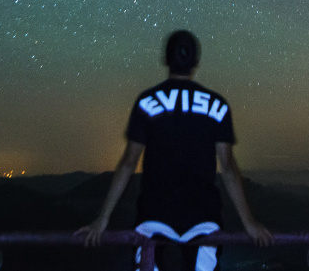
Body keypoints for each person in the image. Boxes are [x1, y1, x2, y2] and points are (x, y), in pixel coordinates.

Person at [76, 30, 272, 271]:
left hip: (153, 216)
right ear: (196, 63)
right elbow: (228, 167)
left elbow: (128, 162)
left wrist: (102, 218)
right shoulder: (217, 105)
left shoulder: (147, 102)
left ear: (165, 59)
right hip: (203, 218)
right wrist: (249, 223)